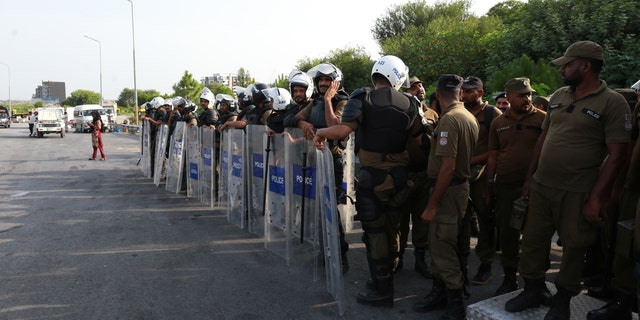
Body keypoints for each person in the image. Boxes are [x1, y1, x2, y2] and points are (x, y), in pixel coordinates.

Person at [505, 40, 631, 320]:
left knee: (574, 246)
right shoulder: (560, 95)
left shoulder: (612, 102)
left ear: (586, 66)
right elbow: (543, 139)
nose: (563, 70)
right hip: (541, 186)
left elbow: (618, 154)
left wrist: (598, 196)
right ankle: (533, 289)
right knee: (534, 241)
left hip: (578, 191)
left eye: (568, 64)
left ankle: (562, 300)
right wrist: (530, 178)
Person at [313, 55, 422, 307]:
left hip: (373, 179)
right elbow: (421, 141)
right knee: (393, 229)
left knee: (374, 234)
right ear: (397, 76)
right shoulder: (412, 103)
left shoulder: (362, 98)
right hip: (400, 179)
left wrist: (320, 132)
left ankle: (383, 288)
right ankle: (387, 277)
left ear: (375, 74)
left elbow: (341, 130)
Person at [413, 74, 479, 320]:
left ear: (438, 94)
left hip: (448, 190)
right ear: (460, 93)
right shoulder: (468, 116)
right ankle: (439, 293)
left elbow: (448, 167)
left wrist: (432, 205)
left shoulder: (450, 120)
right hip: (457, 189)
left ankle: (455, 306)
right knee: (445, 242)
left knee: (443, 248)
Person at [484, 77, 546, 296]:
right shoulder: (498, 123)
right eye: (521, 95)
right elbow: (493, 154)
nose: (527, 98)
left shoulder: (543, 120)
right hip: (506, 187)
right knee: (508, 236)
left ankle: (536, 282)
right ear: (508, 97)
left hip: (536, 188)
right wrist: (490, 185)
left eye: (529, 94)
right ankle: (510, 279)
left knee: (536, 237)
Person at [587, 82, 640, 320]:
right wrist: (618, 187)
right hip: (633, 186)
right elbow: (628, 148)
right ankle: (623, 298)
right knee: (624, 245)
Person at [295, 62, 351, 272]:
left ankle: (340, 254)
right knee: (317, 207)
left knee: (330, 208)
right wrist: (305, 124)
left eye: (327, 80)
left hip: (331, 160)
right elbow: (295, 117)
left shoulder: (343, 101)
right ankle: (323, 252)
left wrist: (329, 100)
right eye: (320, 80)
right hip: (313, 159)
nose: (323, 84)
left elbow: (335, 125)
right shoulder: (316, 101)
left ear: (336, 82)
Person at [460, 75, 502, 287]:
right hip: (462, 174)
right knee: (463, 218)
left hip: (483, 175)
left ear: (480, 93)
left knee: (485, 219)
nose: (465, 95)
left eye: (469, 91)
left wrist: (471, 160)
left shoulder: (492, 113)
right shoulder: (461, 111)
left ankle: (485, 263)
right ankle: (462, 262)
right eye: (463, 91)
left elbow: (497, 148)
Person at [396, 75, 438, 278]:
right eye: (413, 87)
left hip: (425, 173)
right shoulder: (399, 113)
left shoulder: (432, 113)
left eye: (420, 85)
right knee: (401, 220)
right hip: (404, 173)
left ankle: (421, 259)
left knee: (422, 220)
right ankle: (398, 258)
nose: (419, 89)